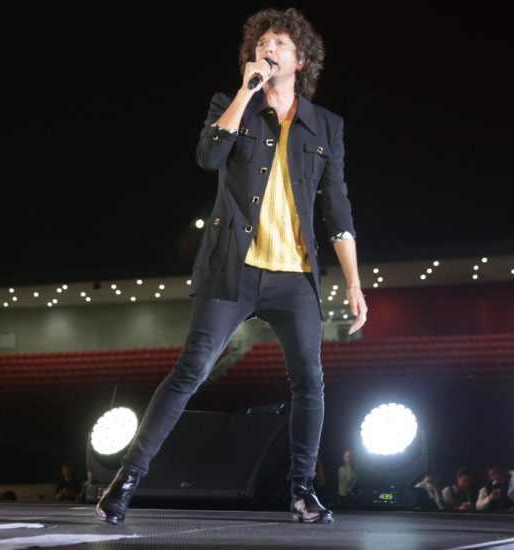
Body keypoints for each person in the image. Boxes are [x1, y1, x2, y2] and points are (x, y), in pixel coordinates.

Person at [96, 7, 367, 526]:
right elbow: (208, 156)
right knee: (191, 369)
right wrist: (246, 92)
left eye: (280, 44)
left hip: (295, 277)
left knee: (310, 381)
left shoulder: (326, 126)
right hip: (232, 268)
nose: (269, 49)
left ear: (301, 60)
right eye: (262, 42)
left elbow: (338, 210)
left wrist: (354, 283)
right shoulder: (231, 104)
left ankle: (302, 491)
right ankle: (126, 480)